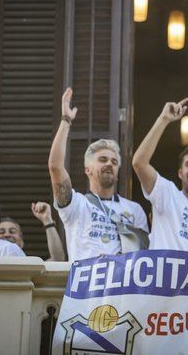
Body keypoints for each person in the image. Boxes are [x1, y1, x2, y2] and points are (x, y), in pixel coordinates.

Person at [49, 88, 148, 262]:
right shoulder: (77, 204)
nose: (110, 163)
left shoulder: (135, 210)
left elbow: (143, 256)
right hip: (87, 287)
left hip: (122, 287)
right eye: (103, 159)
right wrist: (66, 120)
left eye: (114, 162)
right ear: (88, 169)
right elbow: (55, 166)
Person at [132, 98, 188, 253]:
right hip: (164, 277)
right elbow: (139, 163)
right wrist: (163, 119)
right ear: (180, 173)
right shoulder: (167, 193)